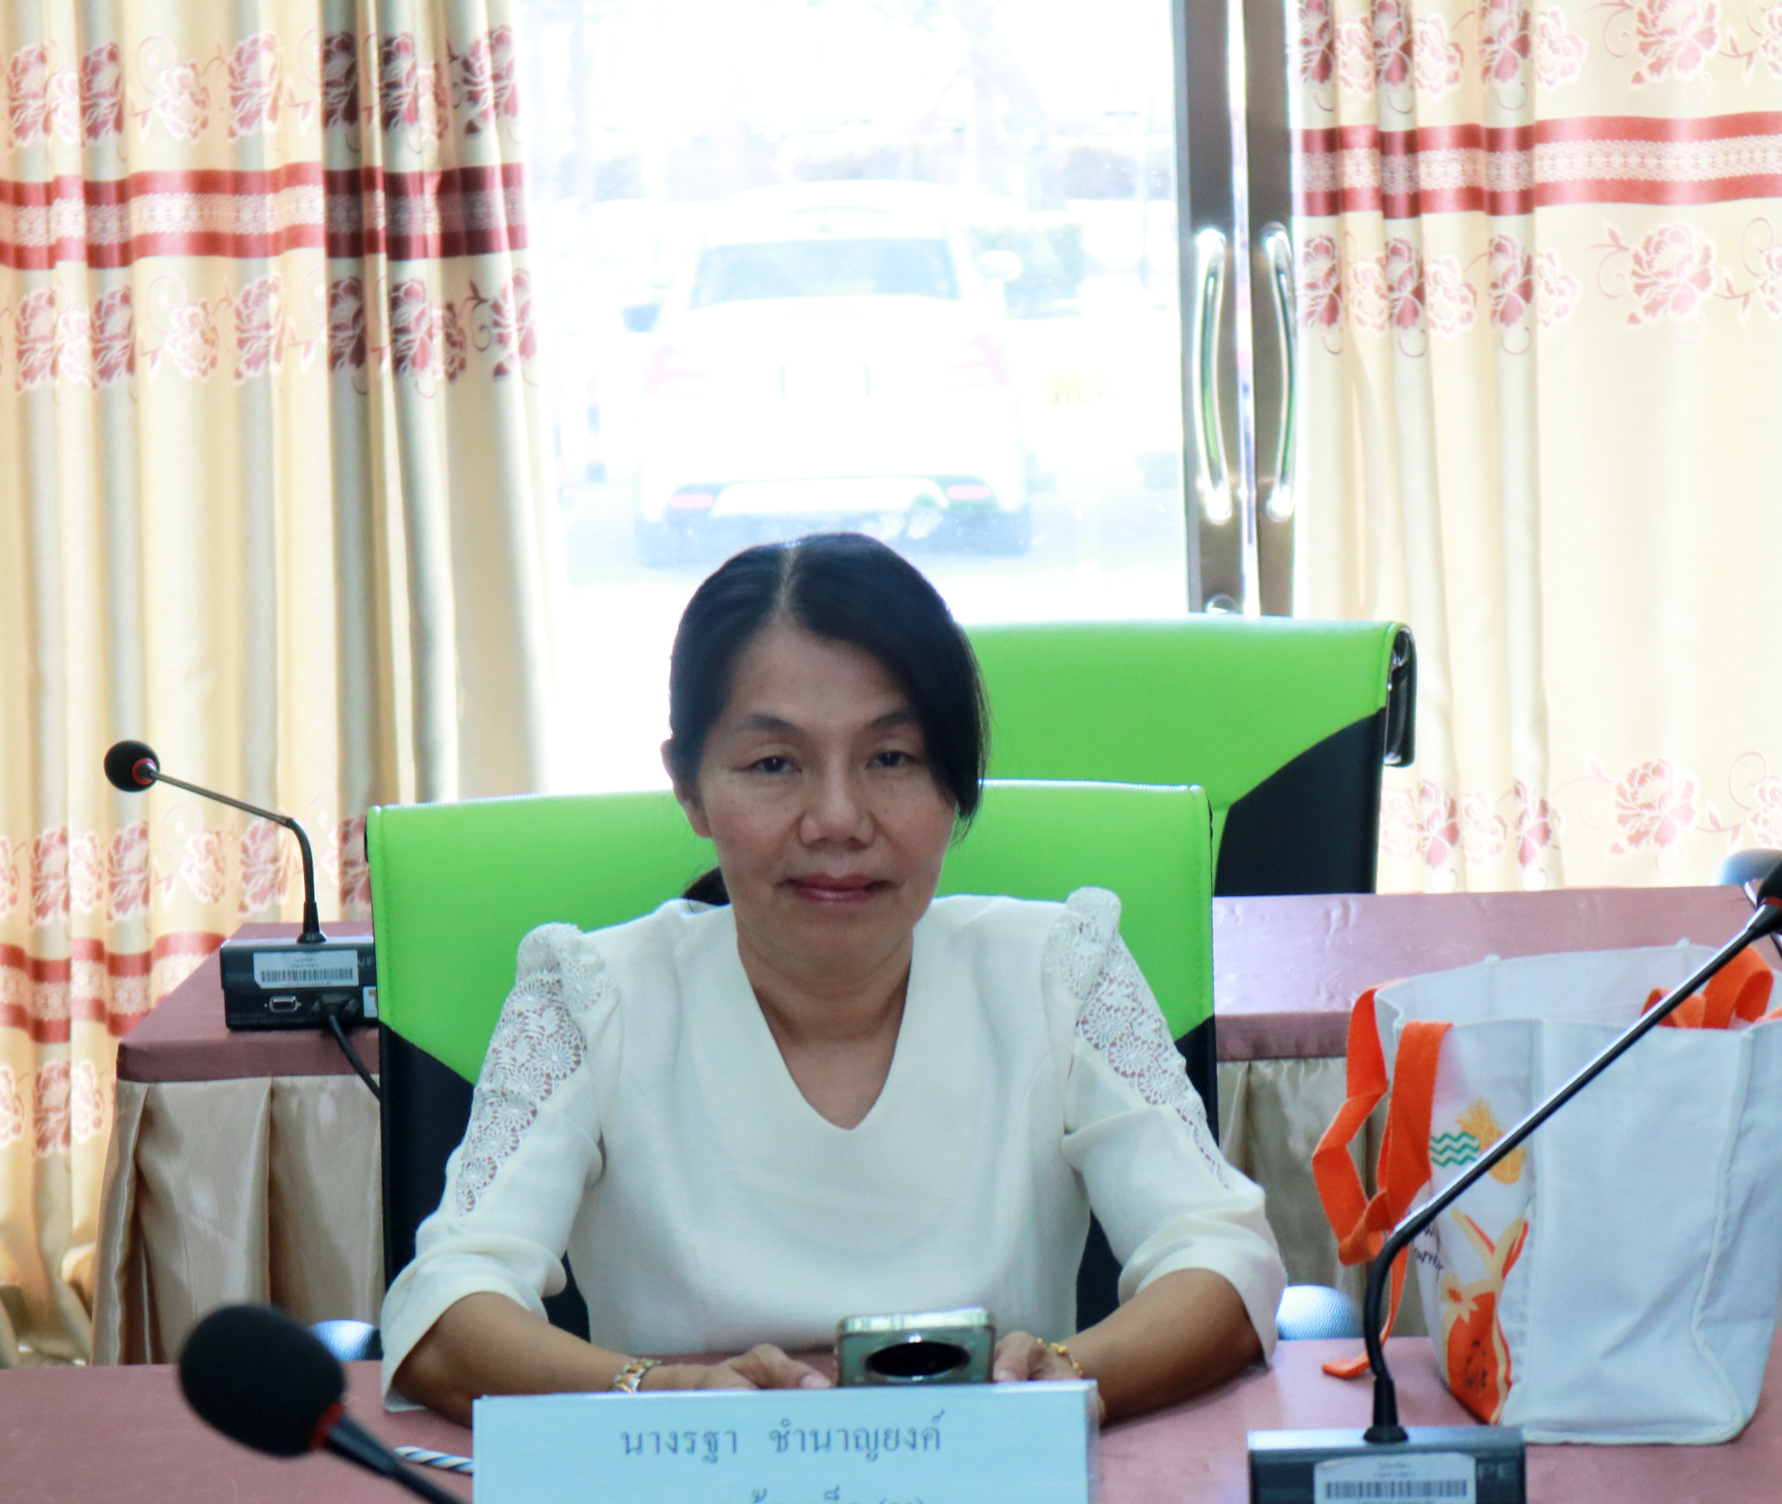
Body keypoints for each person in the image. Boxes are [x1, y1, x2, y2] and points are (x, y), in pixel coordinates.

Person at [384, 533, 1284, 1422]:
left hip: (998, 1486)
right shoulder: (589, 997)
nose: (839, 818)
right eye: (775, 764)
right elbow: (446, 1312)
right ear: (689, 788)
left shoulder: (1060, 971)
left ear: (955, 783)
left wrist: (1069, 1380)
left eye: (891, 758)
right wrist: (662, 1396)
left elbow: (1220, 1258)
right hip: (685, 1497)